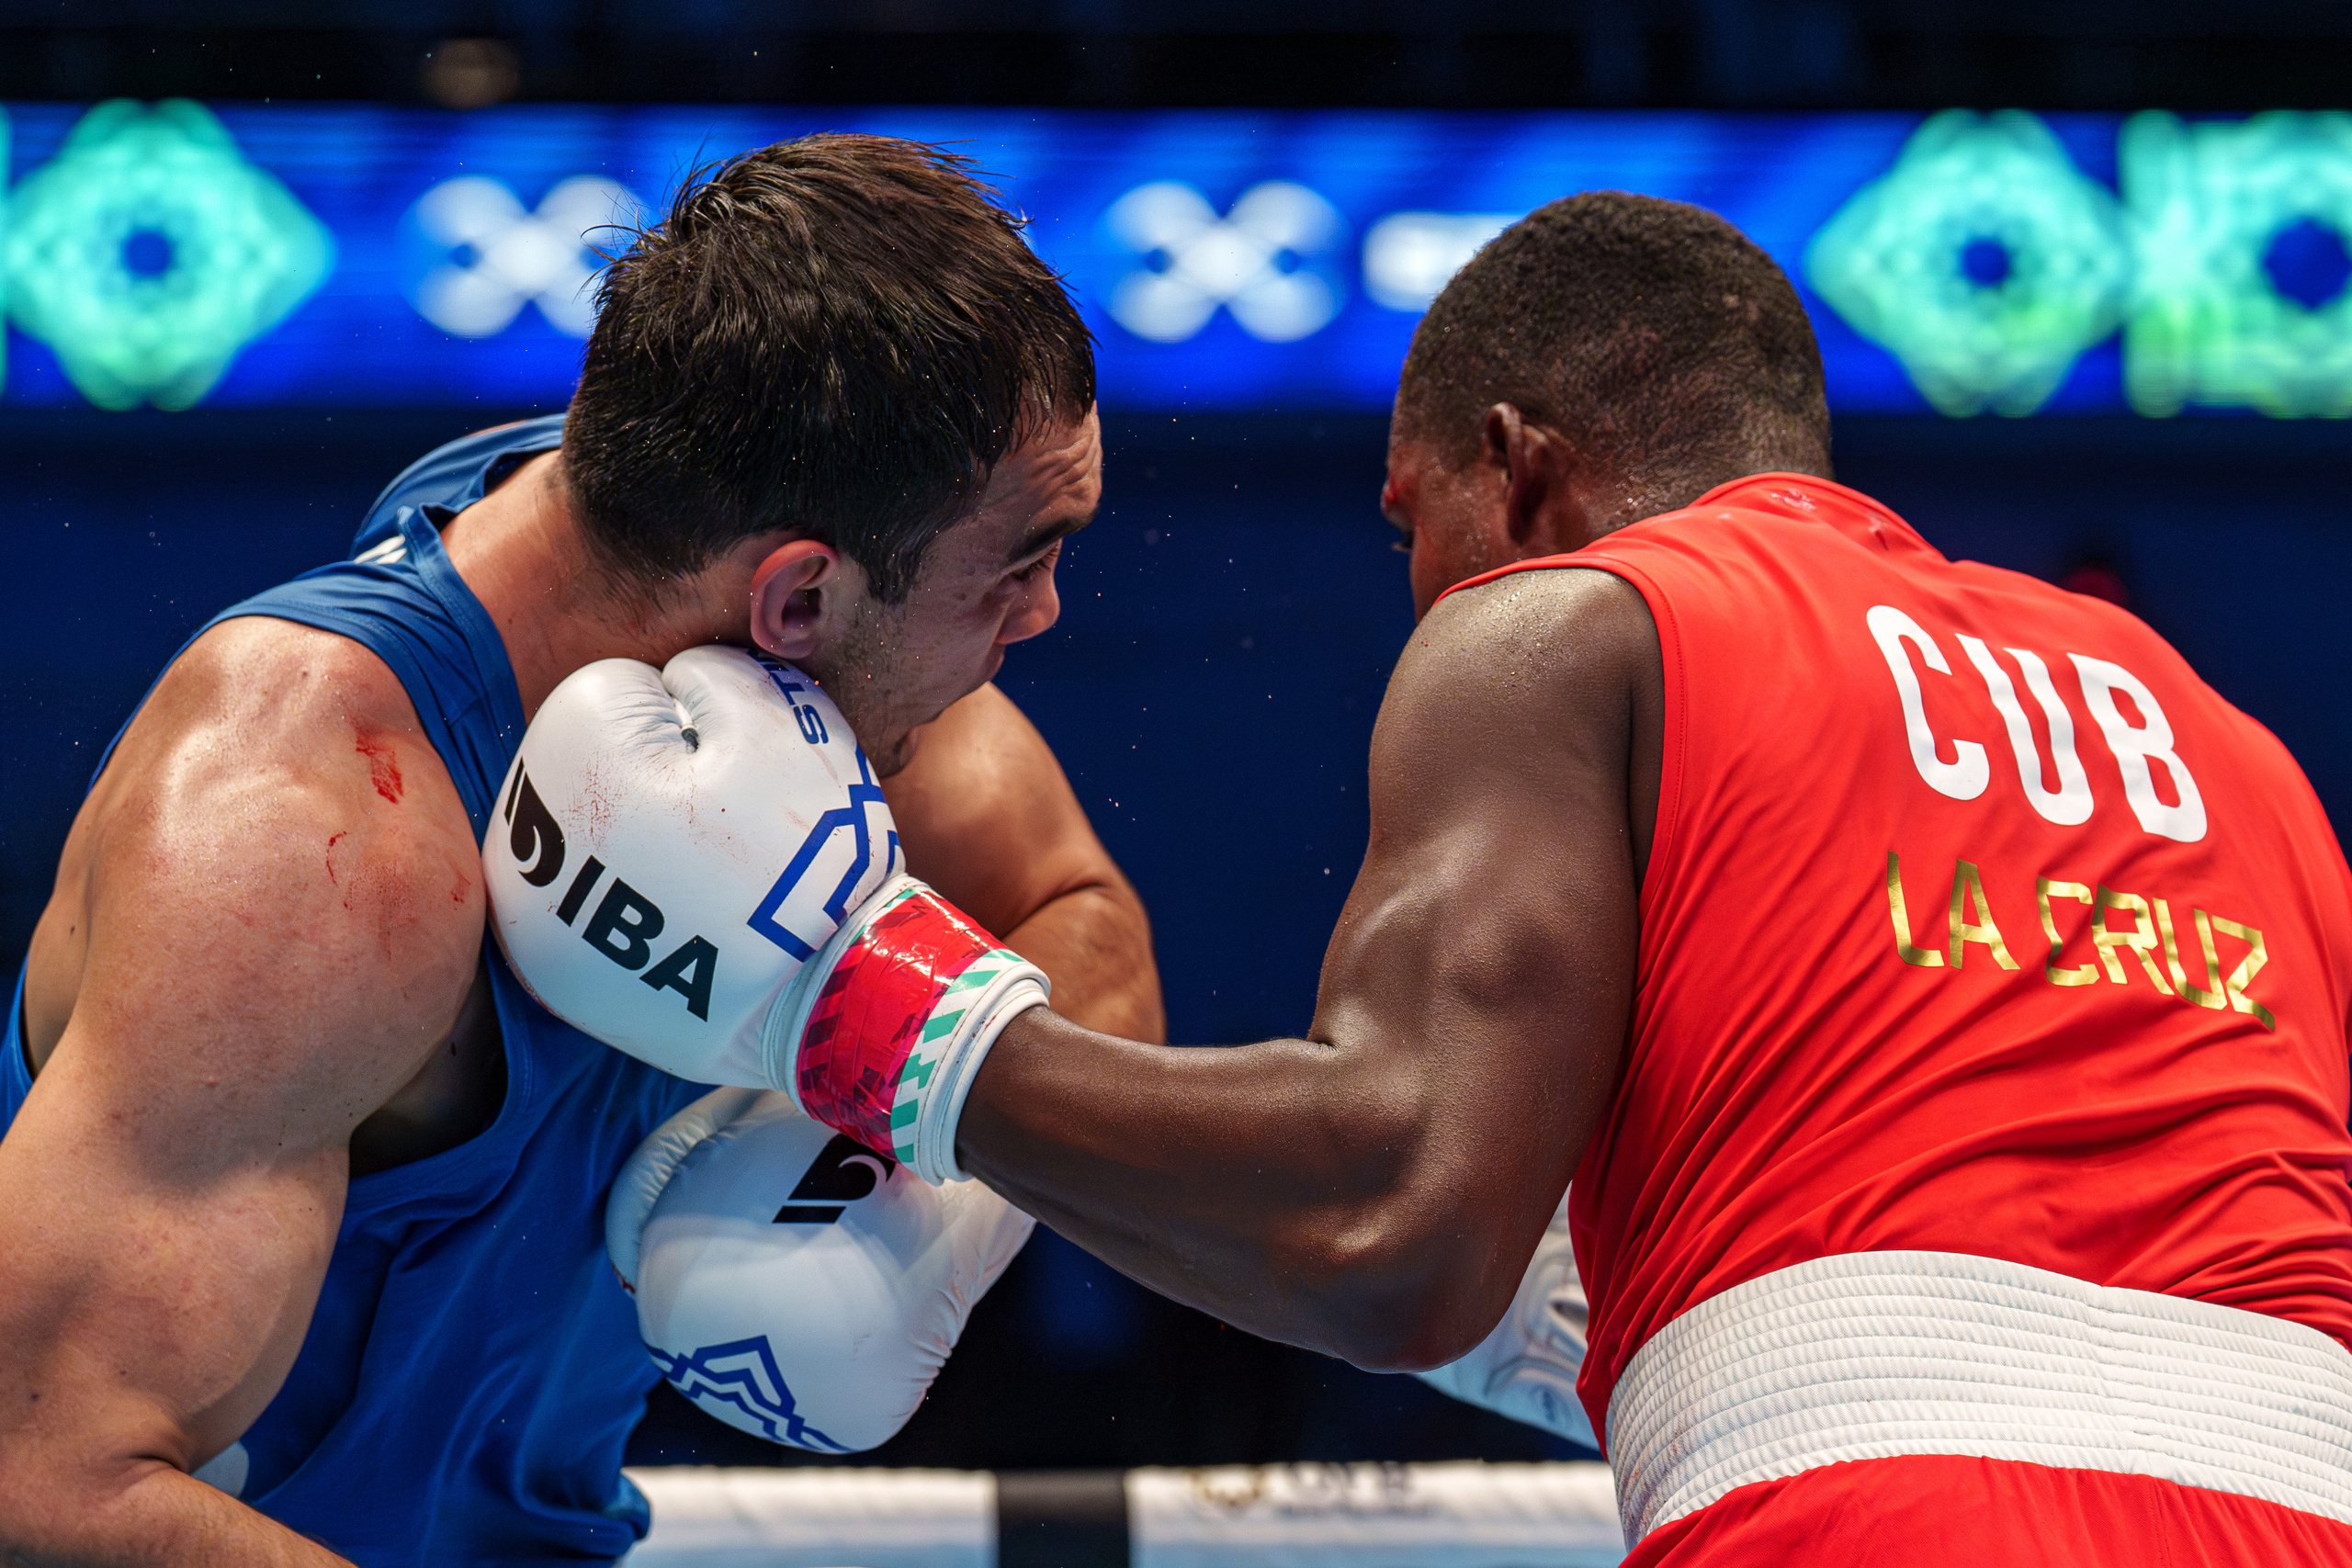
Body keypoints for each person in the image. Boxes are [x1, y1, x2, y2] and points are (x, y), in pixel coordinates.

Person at [752, 192, 2352, 1561]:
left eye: (1408, 525)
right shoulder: (2227, 746)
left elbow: (1396, 1228)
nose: (1420, 586)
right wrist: (1619, 1306)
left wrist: (873, 1019)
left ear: (1515, 469)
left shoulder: (1578, 615)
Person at [0, 134, 1160, 1565]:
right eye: (1025, 559)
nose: (1044, 617)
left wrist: (925, 1205)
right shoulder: (305, 834)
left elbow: (1068, 905)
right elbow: (43, 1482)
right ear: (800, 596)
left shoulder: (704, 594)